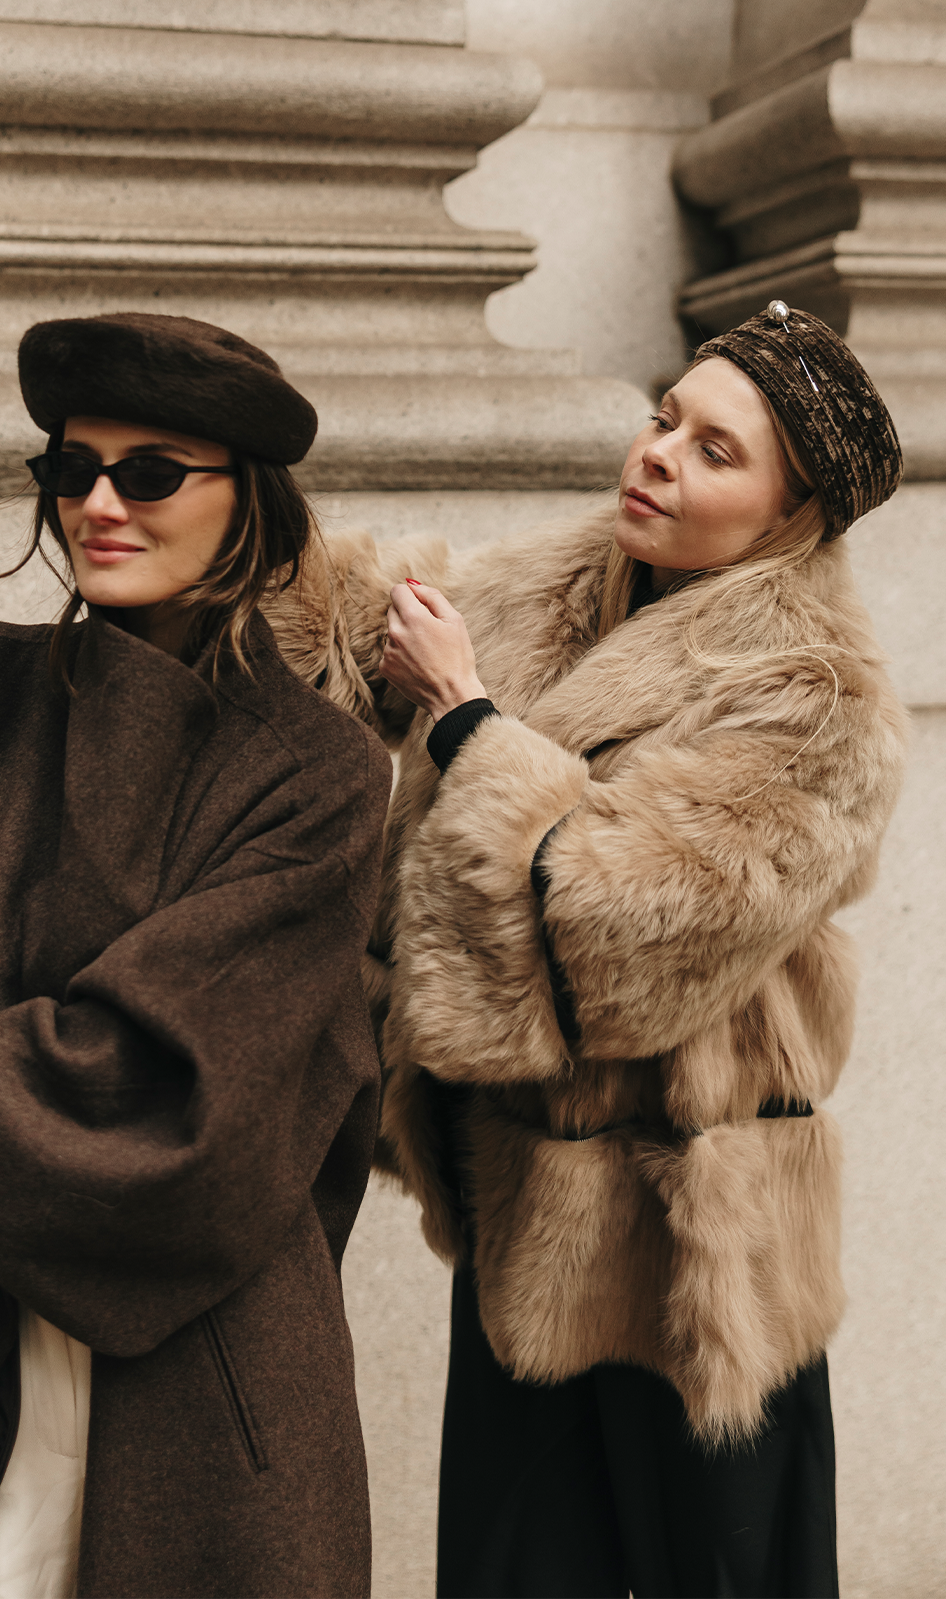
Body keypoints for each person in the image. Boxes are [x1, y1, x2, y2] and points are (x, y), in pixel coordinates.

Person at [0, 312, 391, 1599]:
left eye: (148, 473)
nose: (99, 504)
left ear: (248, 502)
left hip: (211, 1364)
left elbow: (165, 1081)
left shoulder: (317, 773)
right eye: (71, 467)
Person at [268, 303, 907, 1598]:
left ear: (795, 513)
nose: (658, 453)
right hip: (527, 1217)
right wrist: (214, 499)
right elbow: (351, 623)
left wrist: (466, 720)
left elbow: (617, 942)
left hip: (703, 1252)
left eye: (716, 450)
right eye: (665, 417)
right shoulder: (568, 583)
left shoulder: (819, 700)